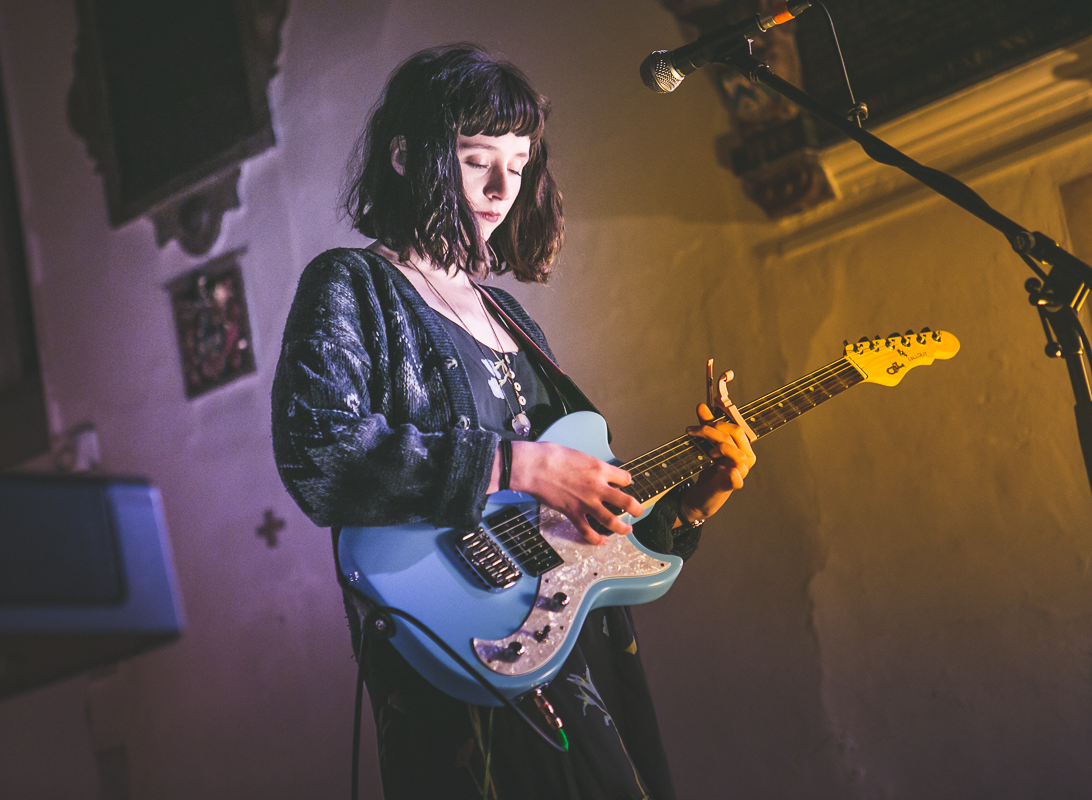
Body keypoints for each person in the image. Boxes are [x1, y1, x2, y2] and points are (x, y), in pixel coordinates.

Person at [272, 44, 756, 800]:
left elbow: (575, 541)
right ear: (406, 157)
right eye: (476, 160)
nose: (503, 188)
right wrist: (521, 465)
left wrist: (691, 504)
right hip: (453, 660)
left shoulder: (513, 318)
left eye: (520, 163)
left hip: (575, 656)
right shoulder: (352, 285)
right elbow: (318, 454)